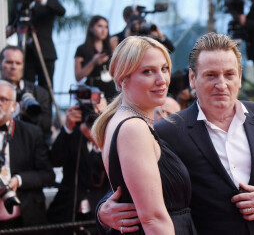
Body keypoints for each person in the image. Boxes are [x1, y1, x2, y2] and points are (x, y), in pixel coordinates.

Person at [98, 33, 254, 235]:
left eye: (229, 74)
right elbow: (139, 183)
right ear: (193, 79)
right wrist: (103, 210)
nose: (221, 84)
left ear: (239, 77)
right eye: (211, 75)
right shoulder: (168, 131)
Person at [92, 36, 196, 234]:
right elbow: (153, 219)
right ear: (122, 79)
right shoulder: (134, 129)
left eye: (164, 69)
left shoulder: (124, 120)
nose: (162, 80)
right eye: (148, 71)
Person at [0, 80, 55, 230]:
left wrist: (19, 180)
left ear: (14, 106)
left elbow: (48, 175)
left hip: (25, 220)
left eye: (3, 99)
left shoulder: (32, 133)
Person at [47, 105, 110, 235]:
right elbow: (55, 161)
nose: (94, 118)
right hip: (67, 210)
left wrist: (97, 140)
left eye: (99, 114)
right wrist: (67, 128)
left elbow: (112, 172)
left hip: (98, 213)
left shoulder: (110, 137)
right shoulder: (73, 134)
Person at [6, 0, 66, 89]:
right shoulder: (18, 1)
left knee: (47, 88)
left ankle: (47, 109)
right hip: (25, 54)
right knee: (26, 88)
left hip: (45, 53)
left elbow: (61, 11)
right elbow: (12, 23)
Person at [0, 45, 52, 143]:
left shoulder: (40, 93)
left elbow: (46, 127)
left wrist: (29, 114)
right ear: (0, 64)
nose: (13, 67)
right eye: (9, 62)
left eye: (18, 63)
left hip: (29, 147)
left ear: (23, 66)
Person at [75, 15, 117, 102]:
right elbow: (78, 76)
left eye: (106, 27)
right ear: (91, 28)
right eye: (99, 26)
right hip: (92, 91)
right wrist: (93, 63)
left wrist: (114, 50)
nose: (103, 30)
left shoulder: (110, 47)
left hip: (111, 90)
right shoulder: (82, 49)